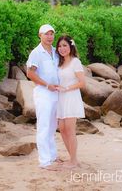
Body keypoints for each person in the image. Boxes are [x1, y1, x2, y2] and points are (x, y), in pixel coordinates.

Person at [26, 24, 60, 169]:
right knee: (44, 126)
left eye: (52, 34)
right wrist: (47, 85)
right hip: (44, 93)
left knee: (53, 127)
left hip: (56, 93)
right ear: (40, 35)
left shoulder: (55, 51)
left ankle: (52, 156)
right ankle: (44, 161)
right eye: (46, 34)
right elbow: (30, 73)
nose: (49, 37)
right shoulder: (36, 52)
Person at [56, 35, 85, 169]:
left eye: (65, 45)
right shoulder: (59, 63)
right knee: (62, 129)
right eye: (60, 46)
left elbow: (82, 83)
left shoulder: (75, 62)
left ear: (70, 46)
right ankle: (73, 158)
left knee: (70, 129)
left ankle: (73, 160)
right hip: (61, 98)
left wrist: (66, 88)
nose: (62, 49)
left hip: (71, 97)